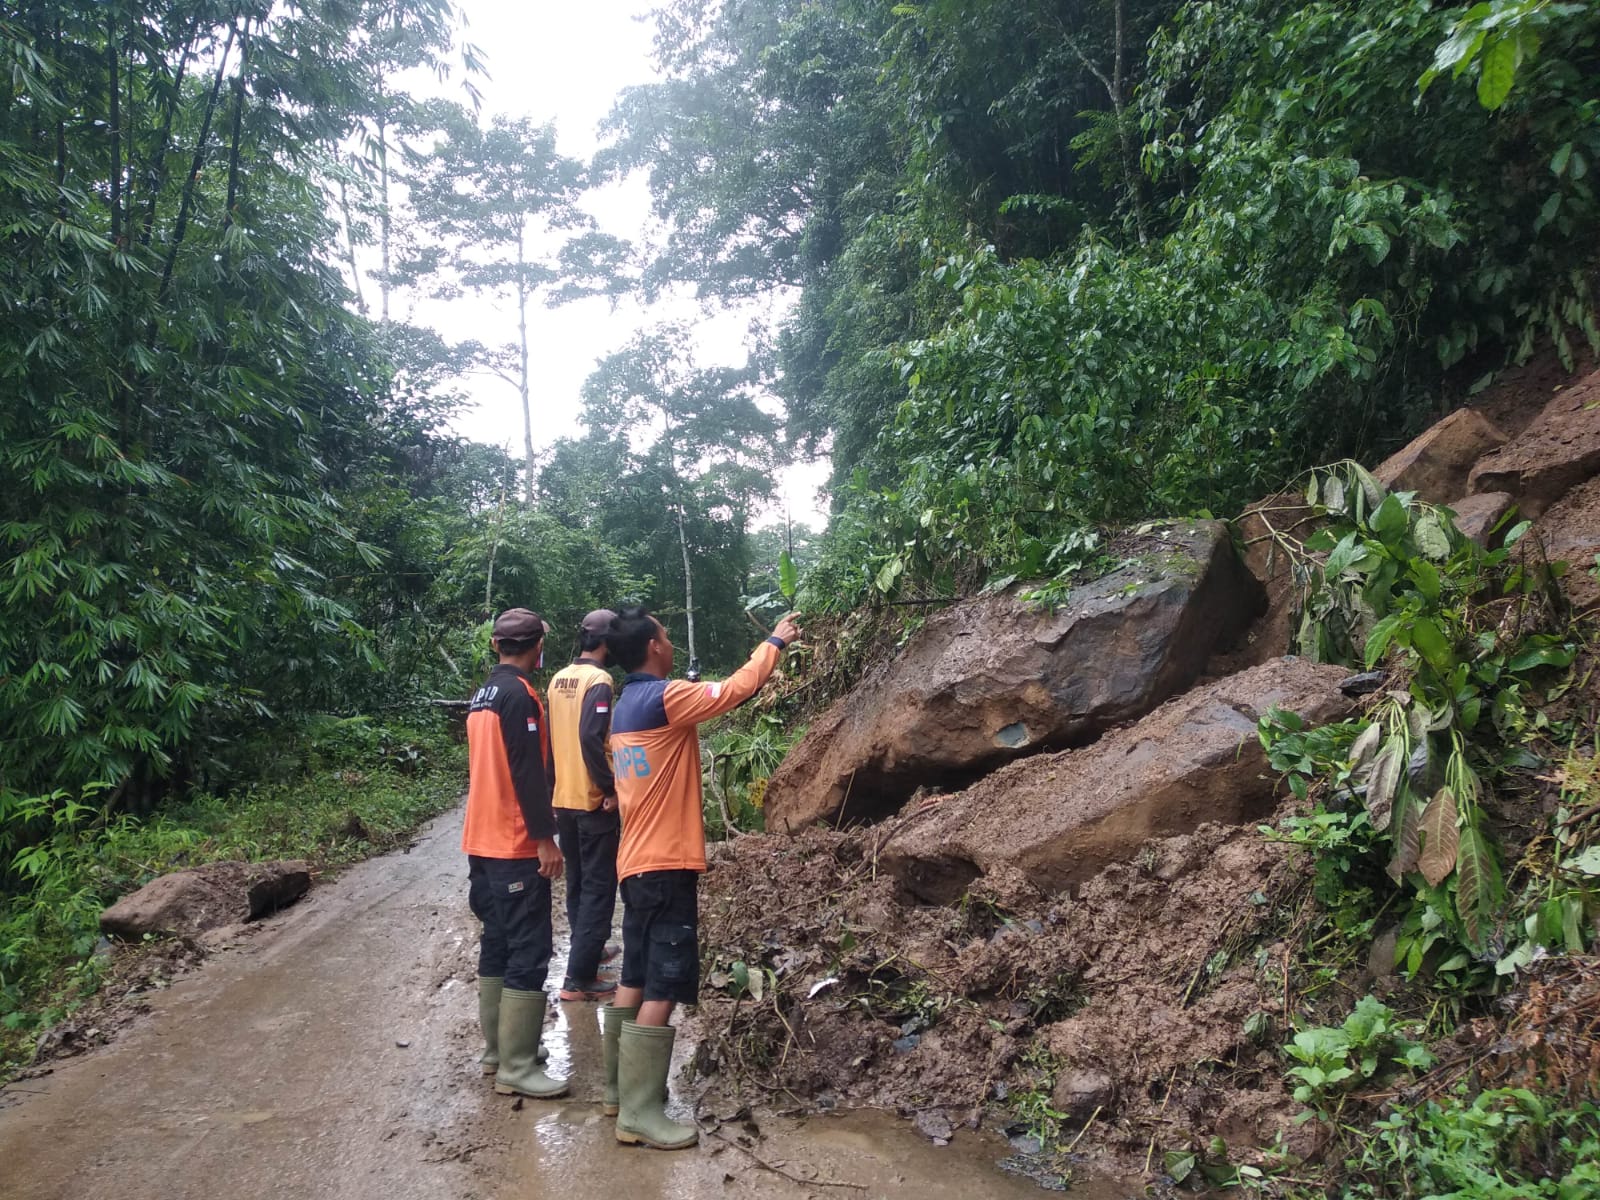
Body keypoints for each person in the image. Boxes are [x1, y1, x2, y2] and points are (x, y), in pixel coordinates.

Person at [602, 606, 802, 1149]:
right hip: (667, 866)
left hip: (635, 863)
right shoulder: (665, 698)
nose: (669, 643)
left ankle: (617, 1093)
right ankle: (640, 1114)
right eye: (665, 636)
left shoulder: (626, 706)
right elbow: (738, 688)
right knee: (664, 983)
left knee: (633, 976)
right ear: (652, 648)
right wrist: (777, 643)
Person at [463, 607, 567, 1100]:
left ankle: (497, 1050)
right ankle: (518, 1066)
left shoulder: (482, 693)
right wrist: (545, 839)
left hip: (479, 841)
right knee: (529, 948)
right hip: (512, 842)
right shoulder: (520, 695)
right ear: (535, 648)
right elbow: (526, 772)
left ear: (496, 645)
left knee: (498, 942)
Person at [547, 609, 621, 1003]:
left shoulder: (558, 679)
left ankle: (586, 955)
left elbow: (551, 739)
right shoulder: (600, 680)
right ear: (607, 642)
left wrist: (550, 788)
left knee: (578, 882)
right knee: (598, 888)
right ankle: (578, 979)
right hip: (591, 801)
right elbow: (592, 738)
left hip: (564, 799)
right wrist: (610, 787)